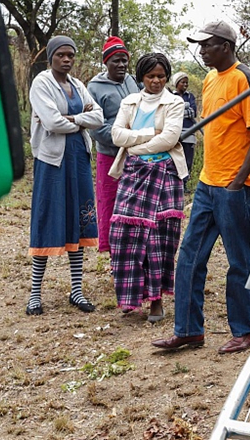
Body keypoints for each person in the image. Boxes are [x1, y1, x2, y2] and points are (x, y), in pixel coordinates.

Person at [152, 20, 250, 354]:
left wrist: (237, 182)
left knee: (238, 259)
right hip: (207, 182)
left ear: (226, 47)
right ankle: (188, 330)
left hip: (232, 187)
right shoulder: (210, 79)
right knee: (190, 255)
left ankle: (246, 330)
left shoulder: (244, 77)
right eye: (200, 46)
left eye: (207, 45)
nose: (201, 51)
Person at [27, 35, 104, 315]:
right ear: (51, 57)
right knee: (47, 218)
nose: (67, 59)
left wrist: (71, 119)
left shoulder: (78, 85)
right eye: (61, 54)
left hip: (79, 159)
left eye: (71, 55)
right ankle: (35, 295)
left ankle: (77, 291)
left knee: (79, 222)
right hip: (52, 161)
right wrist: (80, 120)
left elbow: (99, 117)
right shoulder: (41, 83)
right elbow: (51, 122)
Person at [109, 53, 188, 323]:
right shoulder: (129, 102)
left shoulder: (174, 102)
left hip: (165, 173)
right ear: (141, 77)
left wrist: (134, 147)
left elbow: (169, 139)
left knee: (159, 239)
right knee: (123, 235)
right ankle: (131, 297)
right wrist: (147, 135)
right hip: (133, 173)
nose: (156, 81)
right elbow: (116, 135)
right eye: (151, 76)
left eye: (161, 76)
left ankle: (156, 301)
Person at [88, 36, 140, 254]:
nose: (121, 65)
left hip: (136, 154)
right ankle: (114, 254)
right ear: (106, 62)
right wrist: (124, 137)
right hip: (110, 155)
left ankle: (132, 251)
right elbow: (95, 126)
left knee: (134, 203)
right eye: (116, 60)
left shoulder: (132, 82)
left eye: (124, 60)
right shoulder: (94, 87)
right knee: (110, 202)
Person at [171, 71, 198, 181]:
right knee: (176, 159)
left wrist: (180, 110)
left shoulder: (190, 96)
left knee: (188, 160)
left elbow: (193, 112)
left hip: (189, 133)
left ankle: (185, 183)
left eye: (187, 82)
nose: (185, 85)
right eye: (183, 82)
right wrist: (185, 108)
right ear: (177, 83)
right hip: (175, 133)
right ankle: (175, 181)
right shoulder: (171, 96)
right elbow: (171, 112)